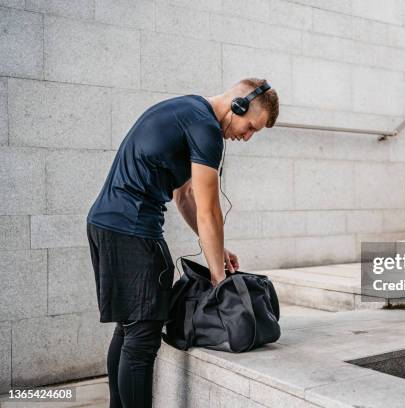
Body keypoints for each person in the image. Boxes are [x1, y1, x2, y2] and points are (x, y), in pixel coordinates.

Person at [86, 78, 279, 408]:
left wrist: (217, 250)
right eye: (251, 128)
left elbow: (184, 196)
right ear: (239, 105)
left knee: (130, 328)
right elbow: (209, 210)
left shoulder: (187, 111)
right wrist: (219, 278)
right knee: (143, 338)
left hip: (106, 223)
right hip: (133, 229)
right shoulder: (205, 129)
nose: (246, 137)